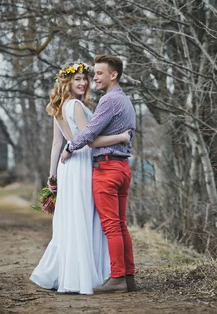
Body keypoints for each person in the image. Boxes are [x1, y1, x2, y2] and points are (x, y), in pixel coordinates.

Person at [30, 62, 130, 295]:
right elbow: (90, 140)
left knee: (74, 218)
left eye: (85, 78)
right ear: (67, 82)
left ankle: (69, 272)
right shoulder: (74, 105)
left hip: (68, 166)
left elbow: (57, 144)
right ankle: (88, 274)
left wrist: (52, 176)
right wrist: (121, 137)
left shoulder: (58, 106)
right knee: (87, 218)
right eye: (78, 80)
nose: (84, 83)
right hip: (82, 162)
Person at [60, 55, 136, 293]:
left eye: (99, 73)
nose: (95, 78)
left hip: (107, 168)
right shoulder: (126, 101)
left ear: (113, 75)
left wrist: (69, 147)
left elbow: (89, 134)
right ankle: (129, 277)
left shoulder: (108, 100)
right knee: (121, 225)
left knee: (111, 227)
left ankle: (117, 278)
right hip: (123, 168)